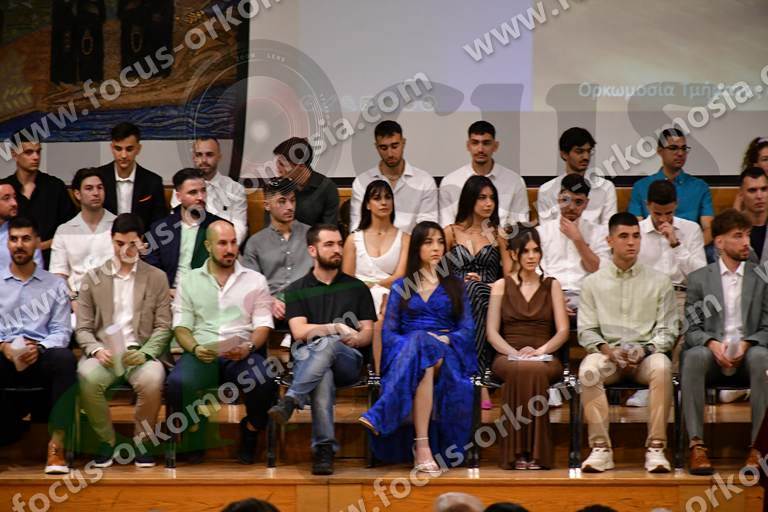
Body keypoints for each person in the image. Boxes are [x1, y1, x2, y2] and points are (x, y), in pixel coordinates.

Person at [359, 221, 475, 474]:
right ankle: (422, 448)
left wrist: (444, 340)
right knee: (423, 357)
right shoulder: (402, 286)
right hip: (410, 353)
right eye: (428, 242)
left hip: (446, 350)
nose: (436, 248)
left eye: (440, 242)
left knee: (424, 346)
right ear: (416, 248)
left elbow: (467, 329)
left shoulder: (456, 285)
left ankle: (384, 412)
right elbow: (389, 333)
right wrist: (418, 341)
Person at [268, 224, 377, 475]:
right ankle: (324, 451)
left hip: (348, 362)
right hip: (309, 363)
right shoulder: (296, 289)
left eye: (339, 244)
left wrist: (356, 339)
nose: (337, 249)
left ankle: (293, 398)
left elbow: (368, 332)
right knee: (323, 373)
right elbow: (299, 332)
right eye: (329, 244)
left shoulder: (357, 287)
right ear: (312, 250)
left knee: (328, 345)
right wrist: (335, 328)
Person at [166, 220, 276, 465]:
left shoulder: (255, 280)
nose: (230, 249)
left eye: (234, 243)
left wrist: (248, 347)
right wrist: (195, 348)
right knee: (176, 383)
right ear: (208, 246)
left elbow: (263, 326)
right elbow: (181, 327)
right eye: (223, 243)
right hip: (202, 353)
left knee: (265, 380)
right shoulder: (189, 280)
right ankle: (195, 430)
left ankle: (251, 428)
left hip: (242, 353)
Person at [578, 213, 677, 474]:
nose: (631, 242)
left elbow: (668, 330)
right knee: (588, 370)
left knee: (663, 367)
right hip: (608, 355)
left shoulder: (660, 281)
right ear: (609, 240)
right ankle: (600, 449)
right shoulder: (592, 283)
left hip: (645, 355)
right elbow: (587, 331)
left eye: (636, 236)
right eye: (623, 236)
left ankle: (656, 447)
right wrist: (607, 351)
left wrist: (645, 350)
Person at [76, 213, 172, 468]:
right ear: (111, 240)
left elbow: (164, 326)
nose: (125, 250)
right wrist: (96, 349)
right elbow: (83, 328)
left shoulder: (157, 277)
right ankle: (106, 442)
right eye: (119, 244)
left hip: (140, 350)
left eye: (132, 244)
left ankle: (142, 443)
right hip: (104, 351)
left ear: (142, 243)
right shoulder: (92, 278)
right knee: (86, 377)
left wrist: (146, 353)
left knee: (152, 379)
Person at [682, 209, 768, 475]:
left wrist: (747, 343)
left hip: (748, 353)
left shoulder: (761, 277)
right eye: (738, 236)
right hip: (712, 354)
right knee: (693, 356)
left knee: (762, 357)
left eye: (748, 235)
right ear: (719, 242)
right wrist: (711, 344)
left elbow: (767, 327)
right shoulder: (699, 279)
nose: (746, 242)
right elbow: (691, 329)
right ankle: (696, 445)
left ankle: (758, 448)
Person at [486, 227, 569, 470]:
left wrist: (540, 351)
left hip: (545, 353)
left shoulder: (552, 285)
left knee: (532, 368)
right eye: (525, 251)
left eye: (536, 250)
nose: (532, 256)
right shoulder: (500, 286)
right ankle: (526, 451)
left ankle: (529, 452)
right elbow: (492, 332)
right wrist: (513, 353)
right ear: (514, 254)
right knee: (521, 368)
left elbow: (563, 331)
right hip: (507, 353)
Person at [0, 217, 76, 474]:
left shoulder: (55, 285)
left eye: (25, 239)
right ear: (7, 243)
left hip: (41, 356)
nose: (19, 245)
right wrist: (4, 346)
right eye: (13, 239)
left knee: (65, 359)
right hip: (5, 356)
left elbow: (62, 330)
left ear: (37, 242)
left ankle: (57, 447)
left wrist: (39, 347)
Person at [628, 179, 706, 407]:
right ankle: (652, 385)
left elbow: (700, 276)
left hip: (681, 293)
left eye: (669, 213)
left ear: (677, 204)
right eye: (657, 213)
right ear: (647, 205)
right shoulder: (637, 232)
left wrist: (676, 244)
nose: (663, 219)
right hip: (646, 295)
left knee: (686, 322)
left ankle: (672, 385)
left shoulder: (691, 229)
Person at [444, 176, 511, 408]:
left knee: (476, 290)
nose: (488, 203)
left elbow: (510, 276)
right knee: (470, 290)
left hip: (491, 293)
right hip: (456, 295)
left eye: (492, 198)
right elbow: (437, 274)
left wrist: (488, 284)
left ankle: (475, 378)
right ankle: (480, 379)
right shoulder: (451, 232)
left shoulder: (499, 234)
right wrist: (459, 282)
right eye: (482, 198)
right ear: (470, 199)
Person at [536, 174, 609, 317]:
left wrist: (578, 239)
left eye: (578, 202)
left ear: (586, 203)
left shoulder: (598, 232)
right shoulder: (541, 232)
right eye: (566, 200)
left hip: (587, 296)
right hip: (549, 295)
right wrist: (554, 299)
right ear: (558, 199)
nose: (571, 207)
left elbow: (599, 270)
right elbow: (536, 272)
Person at [242, 178, 313, 321]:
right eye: (282, 201)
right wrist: (269, 301)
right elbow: (250, 285)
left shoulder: (312, 235)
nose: (290, 207)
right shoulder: (255, 243)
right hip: (271, 311)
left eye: (292, 200)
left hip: (310, 306)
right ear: (267, 205)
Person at [350, 120, 438, 233]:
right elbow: (357, 227)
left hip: (412, 243)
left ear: (403, 143)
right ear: (376, 147)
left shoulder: (425, 181)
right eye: (384, 148)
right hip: (373, 242)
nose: (390, 154)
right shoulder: (362, 182)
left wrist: (403, 242)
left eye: (395, 146)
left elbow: (427, 229)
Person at [628, 128, 714, 243]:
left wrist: (690, 248)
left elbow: (709, 228)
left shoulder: (700, 187)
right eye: (673, 148)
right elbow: (635, 228)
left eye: (684, 148)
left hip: (689, 246)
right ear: (660, 151)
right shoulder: (641, 187)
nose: (680, 153)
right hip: (652, 245)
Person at [144, 168, 222, 292]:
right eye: (193, 192)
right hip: (168, 293)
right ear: (178, 196)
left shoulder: (219, 227)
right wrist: (166, 289)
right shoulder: (161, 229)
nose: (200, 197)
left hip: (206, 294)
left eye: (203, 191)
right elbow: (151, 266)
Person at [2, 131, 76, 264]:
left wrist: (41, 246)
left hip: (52, 262)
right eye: (29, 152)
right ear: (14, 154)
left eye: (38, 152)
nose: (36, 157)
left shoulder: (55, 187)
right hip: (9, 263)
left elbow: (71, 229)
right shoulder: (4, 189)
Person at [439, 121, 528, 227]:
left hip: (503, 237)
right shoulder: (450, 182)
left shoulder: (515, 181)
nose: (480, 149)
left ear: (495, 146)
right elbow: (446, 227)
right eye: (475, 143)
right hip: (460, 237)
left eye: (486, 143)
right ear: (468, 146)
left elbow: (520, 226)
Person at [343, 180, 409, 315]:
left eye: (388, 197)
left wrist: (373, 286)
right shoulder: (353, 240)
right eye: (377, 198)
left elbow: (400, 276)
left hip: (391, 299)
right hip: (357, 300)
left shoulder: (405, 239)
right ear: (367, 204)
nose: (384, 202)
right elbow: (346, 280)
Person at [50, 168, 115, 304]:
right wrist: (73, 300)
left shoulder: (118, 225)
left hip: (114, 299)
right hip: (76, 300)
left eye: (100, 188)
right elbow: (58, 276)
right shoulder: (64, 230)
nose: (96, 193)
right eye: (89, 188)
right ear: (77, 194)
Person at [172, 137, 248, 245]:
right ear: (194, 157)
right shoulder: (183, 188)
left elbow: (239, 228)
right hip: (188, 247)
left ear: (219, 157)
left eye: (209, 154)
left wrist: (223, 248)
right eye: (199, 155)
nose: (204, 160)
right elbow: (176, 224)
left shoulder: (235, 189)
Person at [536, 127, 616, 224]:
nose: (586, 157)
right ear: (564, 154)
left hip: (595, 234)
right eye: (579, 151)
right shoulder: (546, 190)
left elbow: (609, 229)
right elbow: (545, 230)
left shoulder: (606, 187)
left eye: (589, 151)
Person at [98, 122, 168, 231]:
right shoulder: (98, 177)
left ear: (138, 149)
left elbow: (158, 223)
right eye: (118, 149)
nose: (123, 155)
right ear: (111, 148)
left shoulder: (153, 182)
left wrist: (143, 241)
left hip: (141, 239)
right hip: (103, 239)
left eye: (129, 149)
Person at [272, 137, 339, 226]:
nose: (277, 167)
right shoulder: (279, 186)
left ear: (300, 165)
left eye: (282, 164)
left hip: (315, 234)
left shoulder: (327, 188)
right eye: (277, 162)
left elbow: (329, 228)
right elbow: (270, 226)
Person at [0, 182, 43, 270]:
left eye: (14, 197)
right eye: (6, 198)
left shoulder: (25, 233)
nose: (14, 203)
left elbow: (37, 272)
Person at [738, 167, 768, 262]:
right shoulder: (728, 229)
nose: (759, 196)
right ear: (741, 194)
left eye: (764, 189)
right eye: (752, 190)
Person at [733, 138, 768, 210]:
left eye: (764, 189)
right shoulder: (746, 188)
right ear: (755, 164)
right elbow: (735, 214)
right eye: (765, 159)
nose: (759, 195)